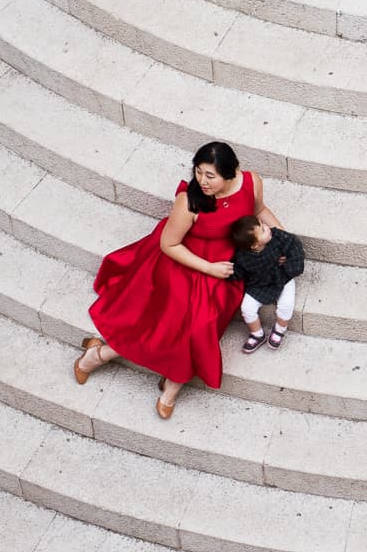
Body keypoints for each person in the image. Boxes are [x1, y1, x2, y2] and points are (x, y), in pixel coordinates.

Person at [72, 142, 284, 419]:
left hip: (225, 268)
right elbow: (169, 245)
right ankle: (105, 357)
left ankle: (170, 381)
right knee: (177, 323)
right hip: (187, 261)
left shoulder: (251, 182)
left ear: (231, 173)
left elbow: (258, 211)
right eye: (199, 172)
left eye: (211, 176)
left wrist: (282, 240)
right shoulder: (189, 200)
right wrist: (208, 268)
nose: (202, 181)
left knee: (200, 326)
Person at [228, 215, 305, 353]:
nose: (267, 228)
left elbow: (295, 247)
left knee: (286, 305)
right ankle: (257, 334)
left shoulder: (279, 238)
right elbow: (239, 270)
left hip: (282, 276)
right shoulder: (243, 256)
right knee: (247, 308)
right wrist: (229, 273)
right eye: (263, 230)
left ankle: (280, 328)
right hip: (259, 283)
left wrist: (290, 264)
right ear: (254, 245)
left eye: (263, 224)